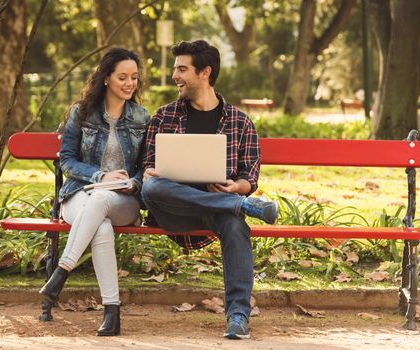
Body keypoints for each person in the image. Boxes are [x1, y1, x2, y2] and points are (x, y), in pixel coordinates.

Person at [141, 39, 278, 340]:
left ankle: (238, 315)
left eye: (181, 69)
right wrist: (150, 172)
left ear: (205, 72)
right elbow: (147, 170)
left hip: (217, 210)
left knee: (234, 227)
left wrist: (237, 187)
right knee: (151, 189)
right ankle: (240, 206)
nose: (175, 76)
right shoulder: (163, 117)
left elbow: (249, 177)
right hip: (174, 210)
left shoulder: (241, 122)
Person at [39, 47, 150, 336]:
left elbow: (147, 165)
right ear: (106, 78)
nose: (129, 84)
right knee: (100, 228)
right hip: (79, 193)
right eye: (122, 77)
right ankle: (112, 314)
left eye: (134, 78)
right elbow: (66, 160)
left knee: (103, 199)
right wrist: (100, 175)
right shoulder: (82, 112)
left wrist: (133, 182)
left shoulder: (141, 117)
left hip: (122, 200)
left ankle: (61, 272)